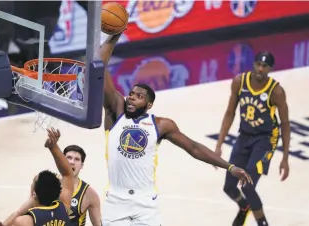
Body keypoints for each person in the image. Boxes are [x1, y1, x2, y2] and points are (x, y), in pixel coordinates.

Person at [99, 31, 253, 226]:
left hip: (145, 203)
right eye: (131, 93)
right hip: (116, 202)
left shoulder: (161, 125)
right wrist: (114, 36)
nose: (131, 97)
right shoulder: (116, 111)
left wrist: (230, 167)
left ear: (149, 105)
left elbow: (194, 148)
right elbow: (100, 67)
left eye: (138, 96)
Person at [214, 51, 290, 226]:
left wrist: (285, 158)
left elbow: (285, 124)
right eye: (258, 65)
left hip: (265, 140)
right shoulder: (240, 82)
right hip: (244, 136)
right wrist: (219, 145)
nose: (261, 69)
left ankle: (262, 222)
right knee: (229, 187)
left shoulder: (276, 91)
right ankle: (244, 206)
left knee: (247, 186)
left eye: (265, 66)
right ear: (254, 64)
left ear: (270, 69)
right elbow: (230, 112)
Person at [0, 128, 74, 226]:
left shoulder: (24, 222)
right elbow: (68, 174)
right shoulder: (64, 207)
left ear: (34, 194)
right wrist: (53, 147)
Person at [63, 145, 101, 226]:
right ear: (62, 160)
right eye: (69, 157)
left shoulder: (89, 194)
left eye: (76, 159)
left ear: (81, 166)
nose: (72, 162)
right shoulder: (47, 184)